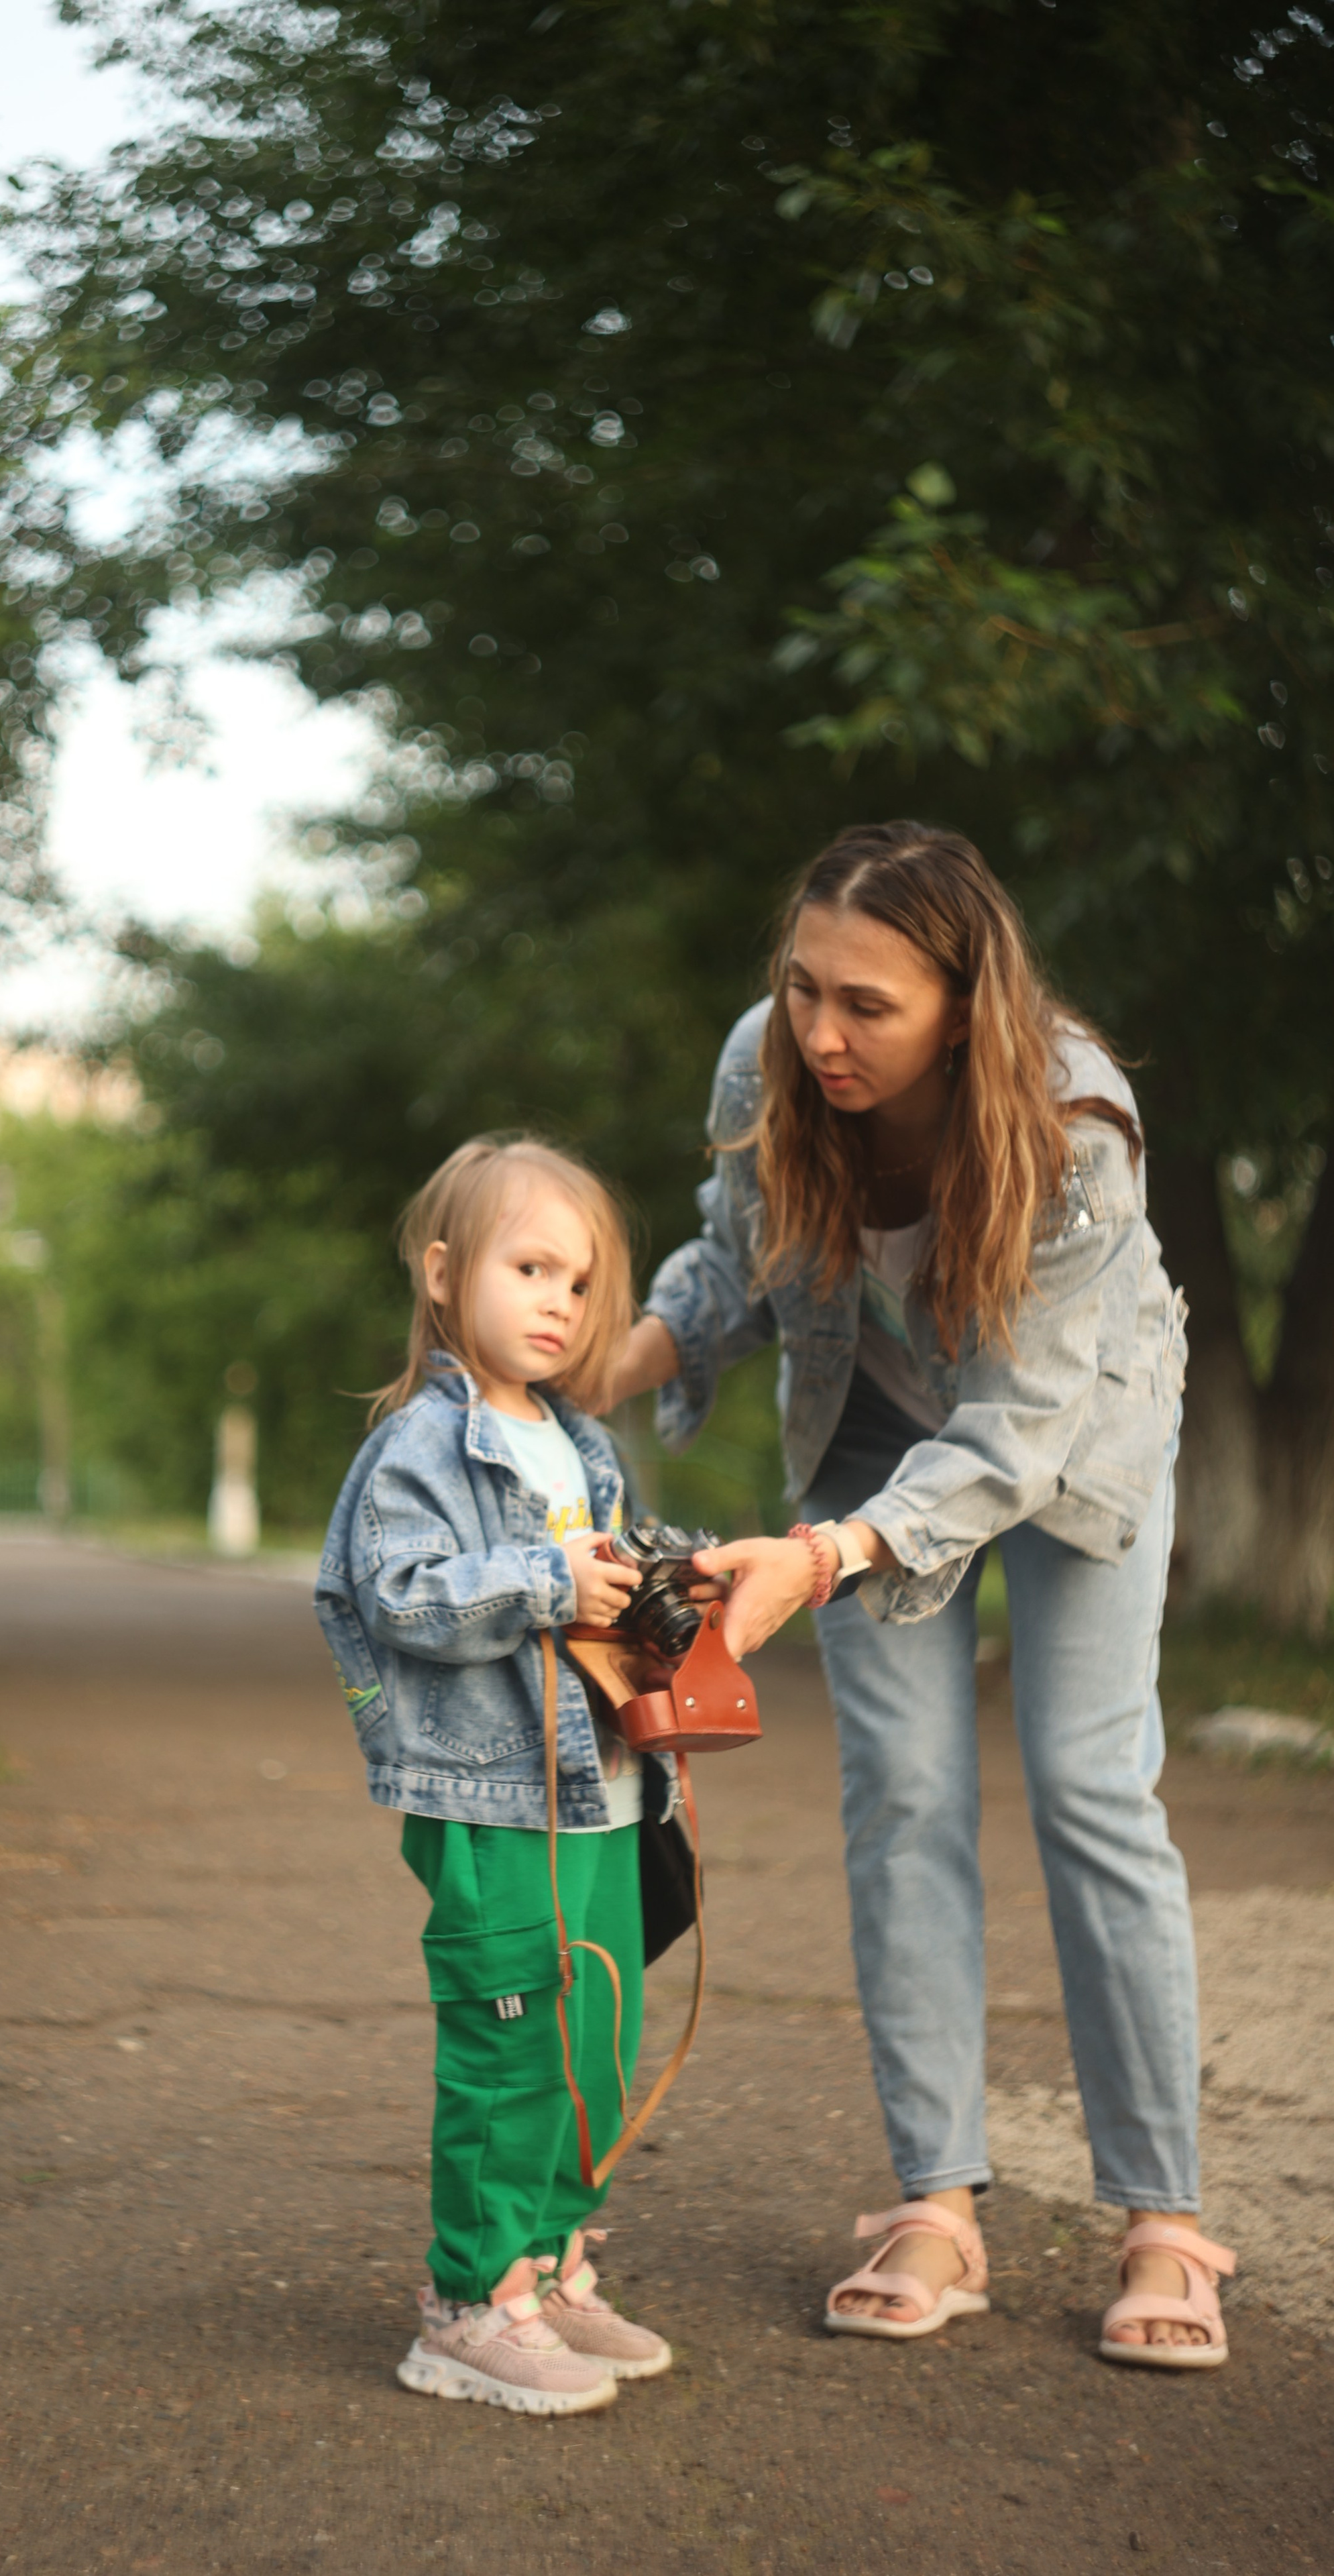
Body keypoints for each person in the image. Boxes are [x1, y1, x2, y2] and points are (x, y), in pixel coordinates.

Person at [613, 821, 1237, 2369]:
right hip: (871, 1424)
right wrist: (624, 1353)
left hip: (1070, 1433)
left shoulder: (1074, 1121)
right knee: (899, 1798)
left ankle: (1159, 2219)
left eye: (865, 1007)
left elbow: (1019, 1427)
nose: (816, 1034)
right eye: (800, 987)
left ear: (963, 1005)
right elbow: (732, 1255)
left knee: (1090, 1786)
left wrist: (818, 1559)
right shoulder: (767, 1062)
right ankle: (935, 2204)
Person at [315, 1136, 677, 2416]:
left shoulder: (579, 1444)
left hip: (605, 1790)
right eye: (530, 1268)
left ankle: (550, 2262)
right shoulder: (423, 1446)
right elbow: (400, 1594)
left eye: (578, 1285)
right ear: (442, 1273)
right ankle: (469, 2303)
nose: (557, 1303)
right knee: (510, 2040)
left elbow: (599, 1606)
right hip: (487, 1795)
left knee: (596, 2035)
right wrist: (545, 1582)